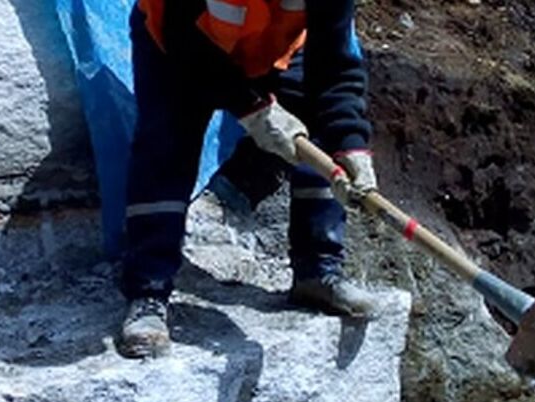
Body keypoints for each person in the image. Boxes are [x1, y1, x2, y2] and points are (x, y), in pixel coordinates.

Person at [118, 0, 379, 358]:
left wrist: (351, 143)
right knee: (167, 146)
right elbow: (187, 43)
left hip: (275, 47)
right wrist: (252, 107)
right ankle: (148, 290)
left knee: (321, 124)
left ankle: (318, 272)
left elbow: (334, 62)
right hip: (175, 39)